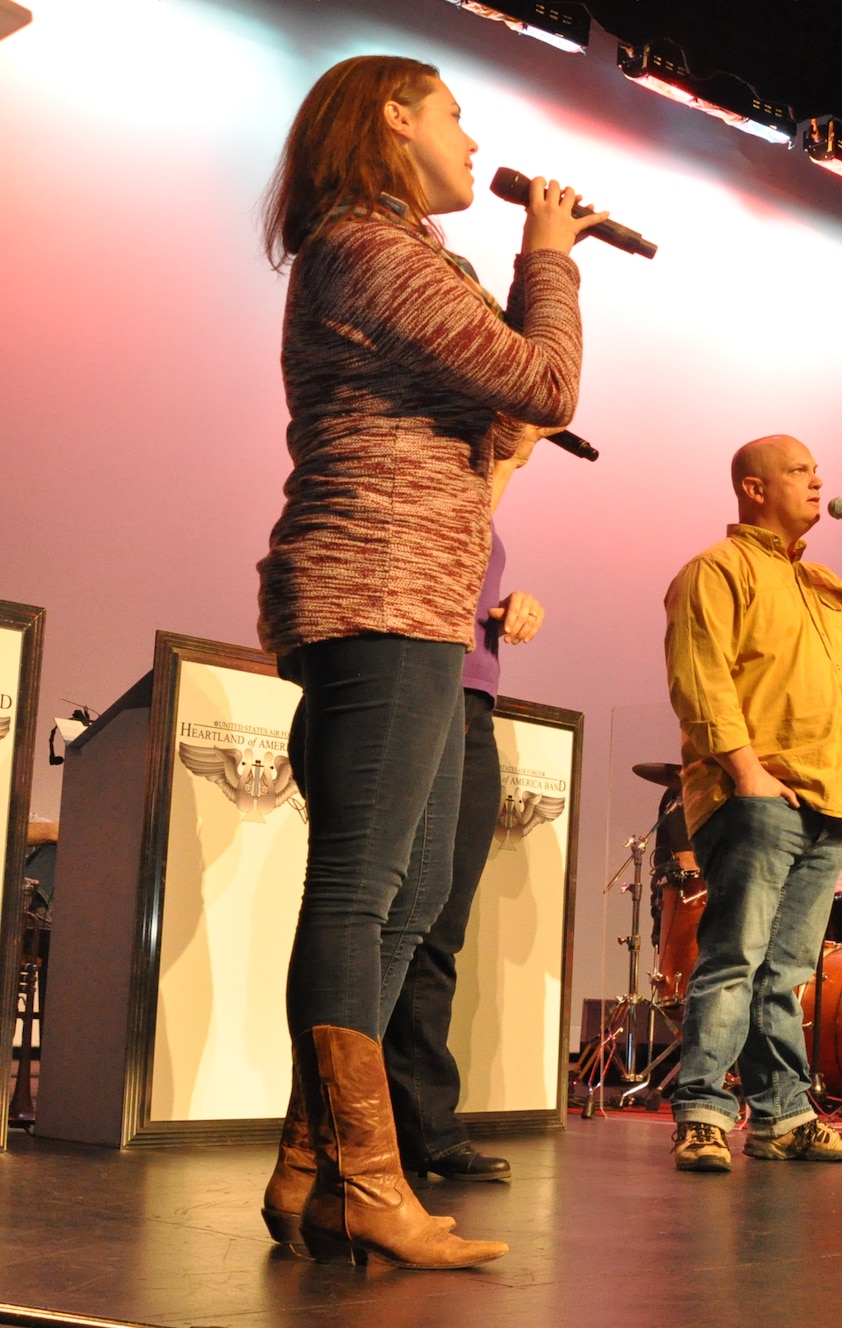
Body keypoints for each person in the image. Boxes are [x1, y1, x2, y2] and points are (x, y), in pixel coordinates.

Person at [255, 54, 601, 1269]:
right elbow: (545, 381)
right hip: (381, 588)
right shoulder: (367, 244)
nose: (472, 138)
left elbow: (503, 411)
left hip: (419, 599)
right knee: (360, 889)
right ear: (394, 118)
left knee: (405, 896)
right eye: (454, 113)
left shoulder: (389, 253)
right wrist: (547, 254)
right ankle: (362, 1176)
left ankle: (314, 1166)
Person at [663, 435, 842, 1173]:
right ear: (753, 487)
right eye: (800, 471)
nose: (818, 482)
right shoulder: (716, 571)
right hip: (760, 795)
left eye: (816, 471)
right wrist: (745, 772)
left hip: (826, 804)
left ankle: (782, 1116)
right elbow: (699, 677)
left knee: (787, 973)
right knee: (734, 958)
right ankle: (704, 1113)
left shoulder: (823, 584)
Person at [382, 440, 549, 1185]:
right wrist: (510, 460)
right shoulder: (433, 479)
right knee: (400, 913)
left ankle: (422, 1125)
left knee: (441, 923)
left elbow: (470, 564)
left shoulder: (482, 504)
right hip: (425, 689)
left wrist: (516, 606)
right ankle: (375, 1124)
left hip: (473, 698)